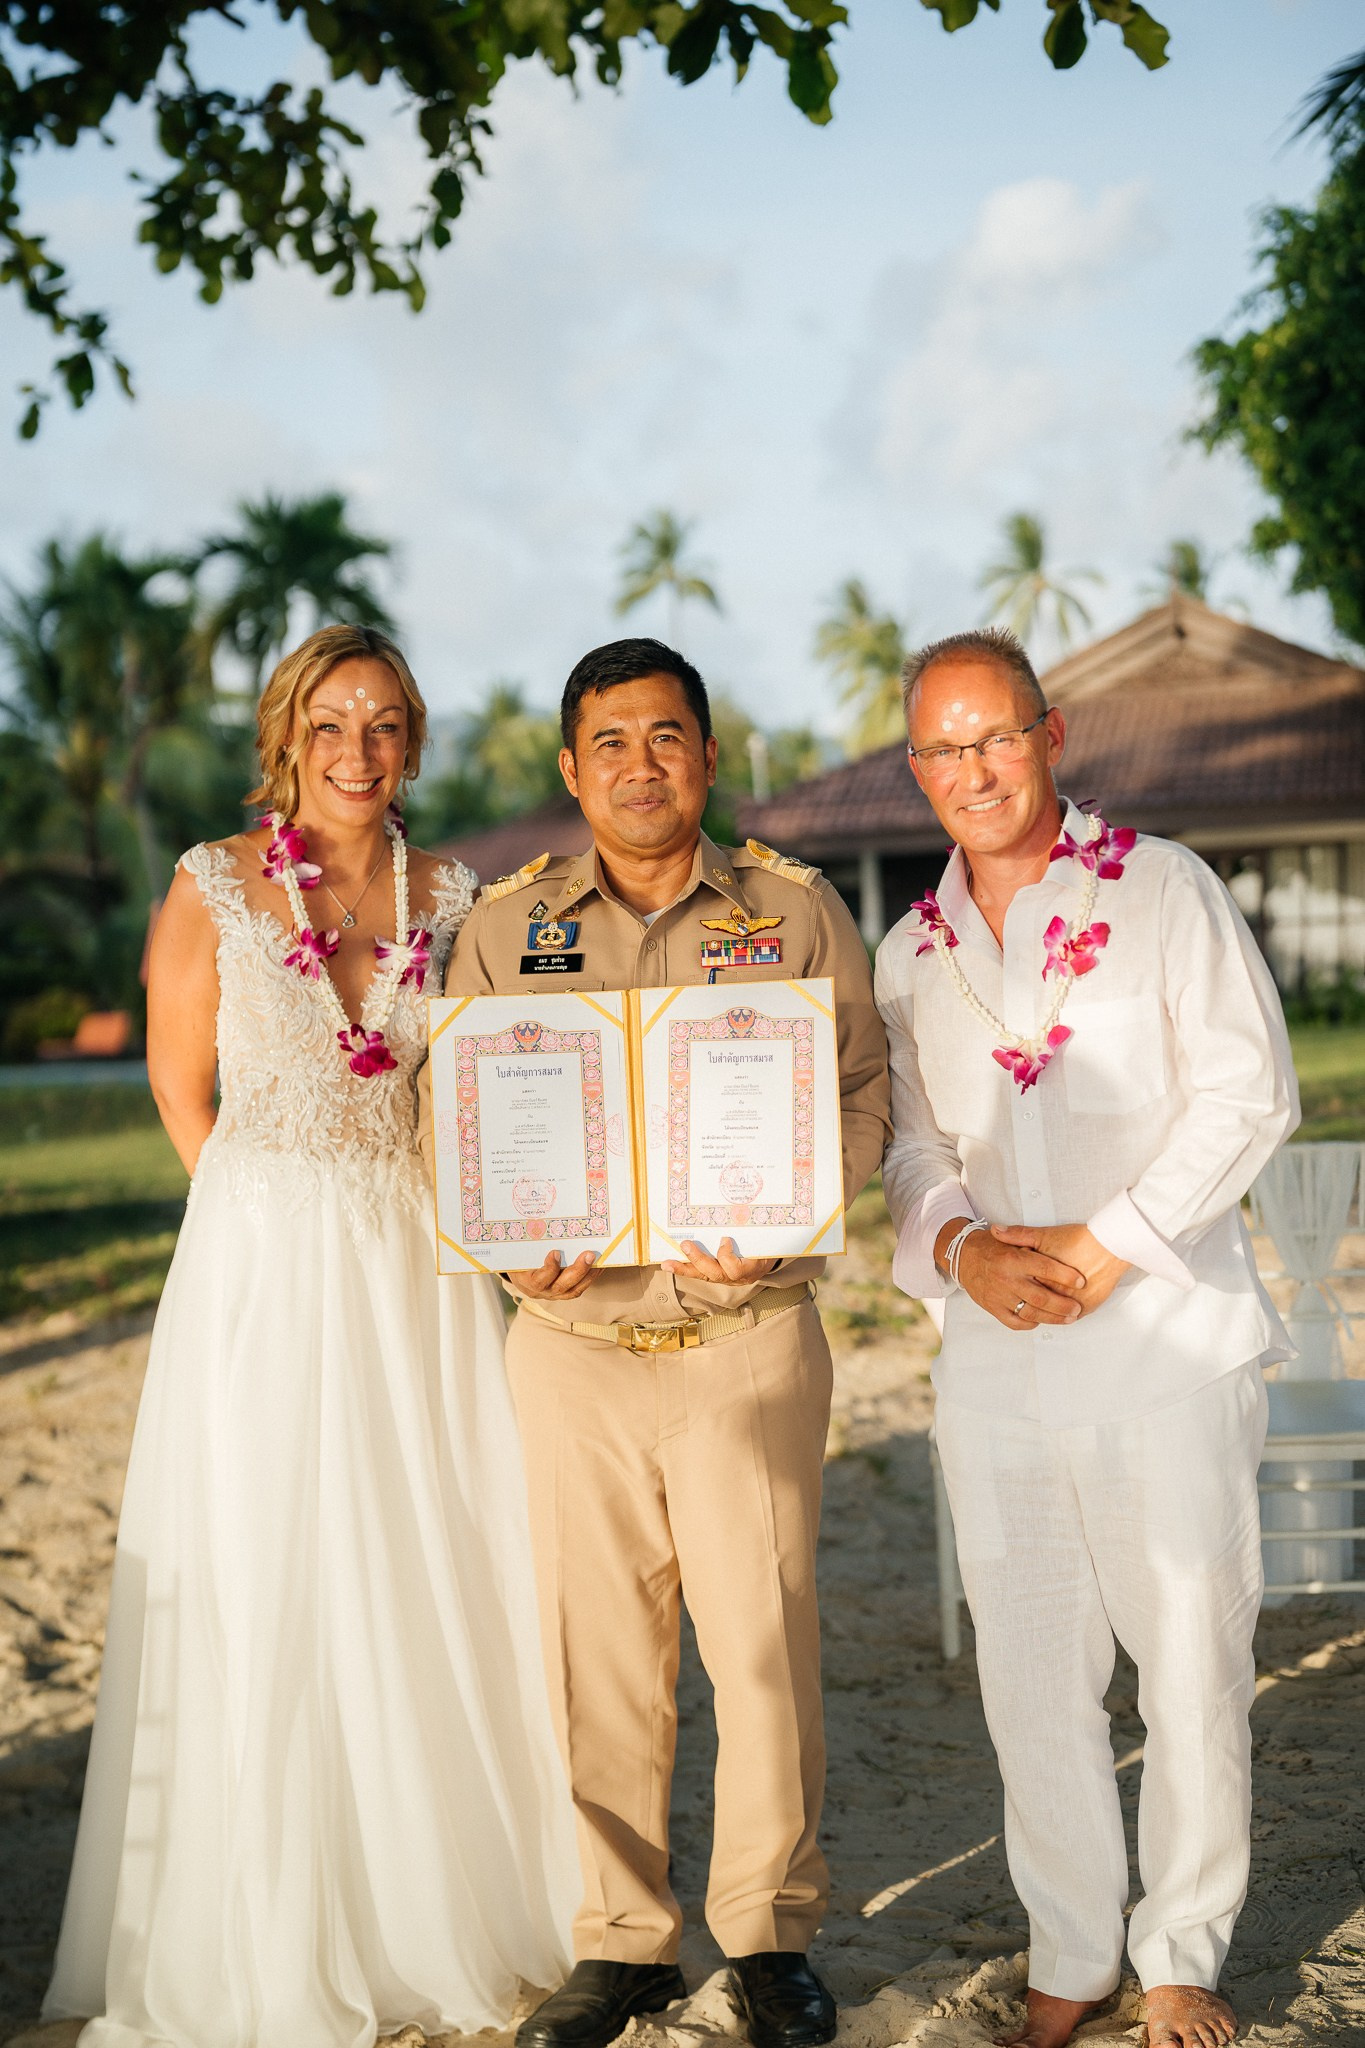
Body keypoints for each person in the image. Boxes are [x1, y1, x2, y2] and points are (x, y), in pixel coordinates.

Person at [44, 624, 579, 2048]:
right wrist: (266, 1223)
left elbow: (481, 1081)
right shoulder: (211, 885)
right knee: (270, 1556)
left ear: (412, 741)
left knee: (426, 1548)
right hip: (266, 1261)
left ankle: (433, 1899)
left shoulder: (455, 892)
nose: (358, 751)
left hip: (411, 1262)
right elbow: (180, 1089)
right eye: (331, 724)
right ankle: (268, 1920)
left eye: (386, 724)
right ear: (285, 737)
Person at [426, 636, 891, 2048]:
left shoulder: (794, 909)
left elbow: (864, 1093)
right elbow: (446, 1124)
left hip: (745, 1334)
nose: (641, 764)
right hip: (570, 1347)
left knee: (761, 1652)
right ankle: (624, 1939)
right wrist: (511, 1237)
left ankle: (765, 1935)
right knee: (598, 1660)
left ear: (707, 751)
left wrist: (797, 1205)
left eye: (668, 735)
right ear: (571, 768)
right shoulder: (505, 929)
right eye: (610, 742)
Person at [873, 627, 1298, 2048]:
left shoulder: (1162, 889)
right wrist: (959, 1245)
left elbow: (1247, 1096)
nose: (973, 769)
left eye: (996, 735)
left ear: (1051, 737)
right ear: (915, 767)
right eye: (943, 746)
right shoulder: (907, 952)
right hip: (992, 1360)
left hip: (1165, 1341)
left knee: (1186, 1655)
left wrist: (1101, 1244)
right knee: (1031, 1669)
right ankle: (1071, 1948)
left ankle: (1177, 1948)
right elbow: (911, 1148)